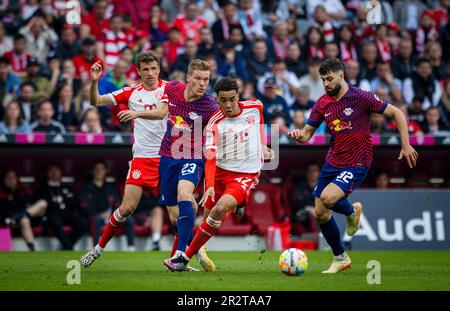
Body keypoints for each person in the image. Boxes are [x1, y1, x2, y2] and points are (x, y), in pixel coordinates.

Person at [288, 58, 418, 273]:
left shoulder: (361, 97)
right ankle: (341, 258)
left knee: (328, 198)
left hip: (358, 160)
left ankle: (350, 212)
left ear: (341, 75)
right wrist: (298, 135)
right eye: (323, 80)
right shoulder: (322, 103)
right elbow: (307, 133)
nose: (326, 84)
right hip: (333, 160)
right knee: (320, 212)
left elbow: (398, 113)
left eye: (330, 79)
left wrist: (406, 145)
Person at [163, 77, 273, 271]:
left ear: (238, 95)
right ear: (217, 99)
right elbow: (211, 158)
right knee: (209, 219)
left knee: (219, 209)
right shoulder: (214, 122)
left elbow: (260, 121)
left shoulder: (255, 106)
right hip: (220, 173)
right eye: (223, 100)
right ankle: (192, 250)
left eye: (232, 99)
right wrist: (211, 185)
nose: (228, 105)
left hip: (245, 174)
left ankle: (183, 259)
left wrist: (263, 144)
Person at [80, 51, 168, 267]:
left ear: (159, 69)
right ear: (138, 71)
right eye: (145, 69)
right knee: (126, 208)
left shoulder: (168, 89)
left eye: (153, 68)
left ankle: (190, 254)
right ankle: (98, 249)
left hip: (166, 160)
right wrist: (94, 82)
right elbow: (96, 101)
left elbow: (160, 113)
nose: (150, 73)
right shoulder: (131, 93)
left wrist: (135, 114)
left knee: (177, 213)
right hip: (142, 160)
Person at [131, 59, 219, 272]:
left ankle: (181, 254)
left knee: (184, 194)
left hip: (193, 156)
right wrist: (137, 112)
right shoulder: (172, 89)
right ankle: (196, 246)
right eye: (197, 78)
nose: (202, 84)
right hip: (168, 157)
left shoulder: (210, 105)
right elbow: (162, 111)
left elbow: (227, 125)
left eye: (205, 80)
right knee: (174, 215)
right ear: (188, 78)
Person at [79, 160, 135, 250]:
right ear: (92, 171)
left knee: (128, 219)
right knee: (95, 219)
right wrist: (99, 215)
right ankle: (96, 249)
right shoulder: (86, 188)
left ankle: (131, 248)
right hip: (95, 217)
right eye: (97, 169)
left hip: (110, 216)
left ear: (105, 171)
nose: (99, 172)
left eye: (101, 169)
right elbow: (84, 207)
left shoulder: (110, 187)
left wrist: (112, 214)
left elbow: (118, 204)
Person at [37, 163, 88, 250]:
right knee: (55, 222)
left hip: (67, 213)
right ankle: (69, 247)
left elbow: (76, 202)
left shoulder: (67, 187)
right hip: (53, 214)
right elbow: (42, 204)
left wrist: (70, 199)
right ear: (47, 173)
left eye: (56, 171)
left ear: (60, 173)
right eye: (51, 171)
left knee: (83, 223)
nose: (54, 173)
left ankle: (67, 246)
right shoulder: (43, 188)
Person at [0, 169, 47, 251]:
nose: (11, 180)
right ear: (3, 180)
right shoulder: (1, 192)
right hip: (5, 222)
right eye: (8, 178)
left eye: (13, 178)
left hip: (24, 218)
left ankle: (32, 249)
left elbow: (31, 203)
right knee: (4, 252)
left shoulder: (22, 191)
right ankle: (18, 217)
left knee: (41, 204)